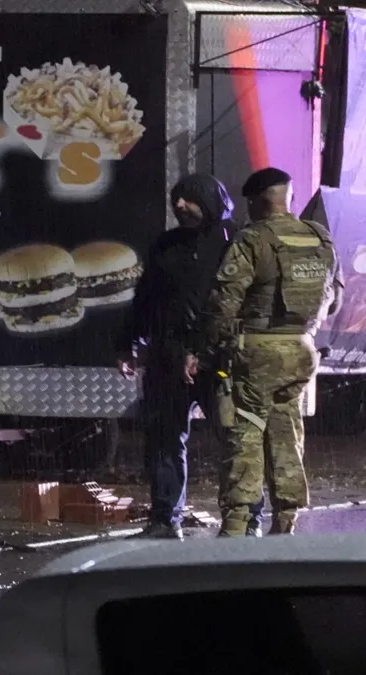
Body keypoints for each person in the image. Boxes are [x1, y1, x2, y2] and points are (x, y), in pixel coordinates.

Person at [116, 173, 265, 540]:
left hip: (219, 360)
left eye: (189, 198)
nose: (180, 205)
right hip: (168, 356)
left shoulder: (236, 242)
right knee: (164, 438)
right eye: (176, 199)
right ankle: (165, 518)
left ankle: (247, 517)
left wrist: (203, 349)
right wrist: (128, 343)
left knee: (234, 438)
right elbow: (145, 298)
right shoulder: (167, 244)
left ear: (211, 200)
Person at [195, 167, 342, 536]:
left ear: (257, 201)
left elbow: (223, 301)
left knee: (245, 432)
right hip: (303, 350)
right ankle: (287, 520)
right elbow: (334, 300)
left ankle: (236, 524)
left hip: (257, 352)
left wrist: (211, 348)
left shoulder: (252, 239)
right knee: (286, 431)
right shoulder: (319, 237)